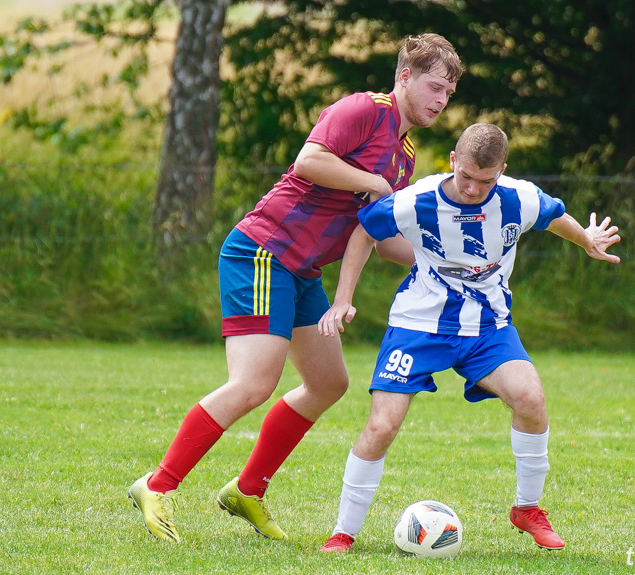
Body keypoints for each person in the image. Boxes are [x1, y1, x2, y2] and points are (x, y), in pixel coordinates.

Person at [127, 33, 463, 543]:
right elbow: (308, 161)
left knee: (329, 383)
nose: (440, 100)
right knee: (254, 383)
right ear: (405, 77)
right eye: (434, 86)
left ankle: (246, 491)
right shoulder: (362, 112)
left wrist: (447, 259)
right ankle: (158, 484)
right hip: (263, 252)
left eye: (448, 93)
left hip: (303, 271)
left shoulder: (404, 155)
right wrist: (371, 184)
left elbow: (374, 234)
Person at [316, 123, 621, 553]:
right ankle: (343, 532)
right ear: (453, 162)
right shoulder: (415, 201)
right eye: (467, 177)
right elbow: (365, 232)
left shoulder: (519, 197)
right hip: (417, 325)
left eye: (487, 180)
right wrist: (342, 298)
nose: (475, 188)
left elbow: (554, 217)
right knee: (382, 425)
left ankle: (527, 509)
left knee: (530, 399)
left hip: (488, 327)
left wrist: (585, 239)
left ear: (502, 170)